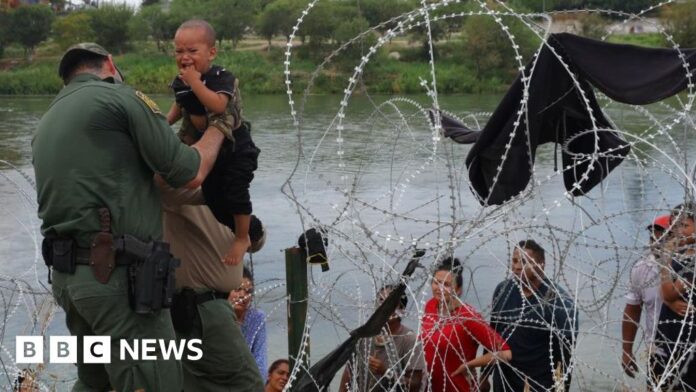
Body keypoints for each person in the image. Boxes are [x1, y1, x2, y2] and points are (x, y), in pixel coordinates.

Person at [32, 42, 227, 391]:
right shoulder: (122, 97)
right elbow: (189, 170)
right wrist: (221, 126)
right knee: (154, 382)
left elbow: (118, 167)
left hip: (70, 281)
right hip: (117, 280)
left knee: (95, 383)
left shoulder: (49, 117)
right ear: (110, 64)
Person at [167, 19, 261, 266]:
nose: (185, 56)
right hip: (210, 153)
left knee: (236, 191)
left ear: (211, 52)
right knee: (213, 198)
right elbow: (180, 104)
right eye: (179, 51)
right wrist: (162, 124)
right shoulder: (181, 82)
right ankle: (243, 228)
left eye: (192, 51)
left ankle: (242, 238)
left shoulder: (220, 77)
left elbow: (219, 105)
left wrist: (196, 83)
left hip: (235, 147)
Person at [161, 183, 265, 391]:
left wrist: (252, 230)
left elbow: (253, 241)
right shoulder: (179, 182)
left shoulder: (222, 187)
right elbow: (167, 188)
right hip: (201, 306)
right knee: (247, 384)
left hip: (211, 306)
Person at [489, 240, 578, 392]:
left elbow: (564, 359)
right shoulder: (503, 290)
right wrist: (485, 375)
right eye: (515, 260)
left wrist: (561, 388)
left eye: (524, 262)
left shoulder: (559, 303)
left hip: (537, 385)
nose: (517, 267)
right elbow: (491, 335)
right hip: (503, 381)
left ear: (540, 264)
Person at [420, 257, 511, 391]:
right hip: (431, 387)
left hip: (459, 387)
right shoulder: (430, 306)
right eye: (436, 282)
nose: (439, 288)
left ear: (458, 290)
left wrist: (469, 365)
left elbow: (505, 353)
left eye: (446, 284)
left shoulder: (468, 317)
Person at [622, 215, 689, 382]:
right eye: (653, 235)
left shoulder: (690, 267)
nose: (656, 241)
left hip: (690, 348)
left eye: (665, 236)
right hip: (659, 352)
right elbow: (632, 310)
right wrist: (626, 350)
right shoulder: (642, 268)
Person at [339, 285, 425, 392]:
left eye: (390, 303)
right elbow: (349, 373)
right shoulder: (364, 335)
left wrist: (386, 373)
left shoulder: (409, 339)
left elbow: (415, 384)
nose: (384, 306)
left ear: (401, 310)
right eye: (380, 300)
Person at [654, 203, 696, 390]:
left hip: (689, 335)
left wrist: (664, 258)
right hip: (669, 331)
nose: (678, 231)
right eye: (675, 225)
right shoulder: (679, 254)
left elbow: (669, 292)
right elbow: (664, 292)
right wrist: (667, 301)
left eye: (685, 226)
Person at [229, 266, 268, 380]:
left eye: (248, 291)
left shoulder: (257, 317)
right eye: (237, 289)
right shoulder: (219, 316)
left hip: (249, 380)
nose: (242, 295)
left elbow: (261, 359)